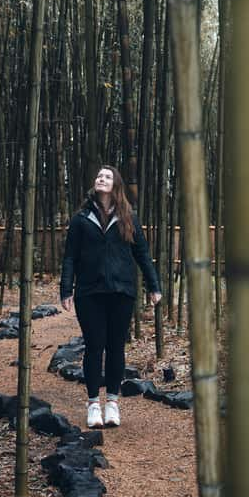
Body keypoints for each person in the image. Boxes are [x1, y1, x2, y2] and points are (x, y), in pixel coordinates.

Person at [59, 165, 162, 429]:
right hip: (89, 292)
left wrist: (154, 286)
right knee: (94, 346)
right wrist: (66, 289)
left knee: (116, 347)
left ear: (116, 184)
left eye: (107, 176)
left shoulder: (129, 217)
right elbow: (70, 256)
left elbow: (142, 253)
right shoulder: (82, 219)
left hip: (121, 291)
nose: (101, 179)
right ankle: (93, 403)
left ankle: (112, 403)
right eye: (98, 176)